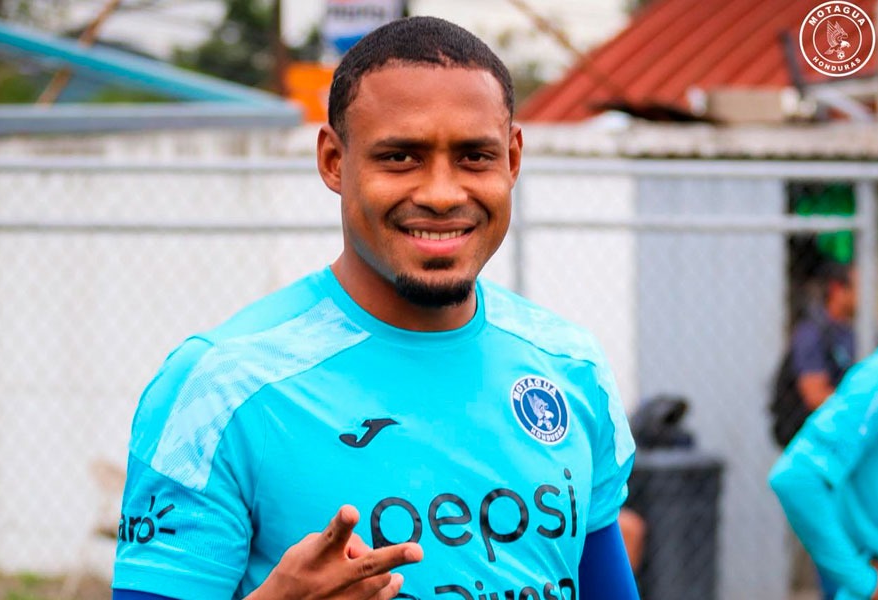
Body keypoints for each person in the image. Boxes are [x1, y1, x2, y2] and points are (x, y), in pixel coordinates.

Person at [111, 16, 638, 600]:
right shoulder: (218, 389)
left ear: (512, 159)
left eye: (474, 156)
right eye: (401, 157)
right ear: (334, 161)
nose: (441, 194)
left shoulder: (572, 367)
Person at [769, 246, 878, 600]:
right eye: (857, 285)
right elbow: (795, 474)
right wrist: (867, 582)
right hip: (837, 477)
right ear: (837, 290)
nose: (864, 295)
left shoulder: (862, 335)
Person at [772, 262, 857, 448]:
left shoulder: (857, 332)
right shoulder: (811, 332)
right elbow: (815, 396)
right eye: (858, 287)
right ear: (837, 289)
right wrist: (860, 406)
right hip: (811, 437)